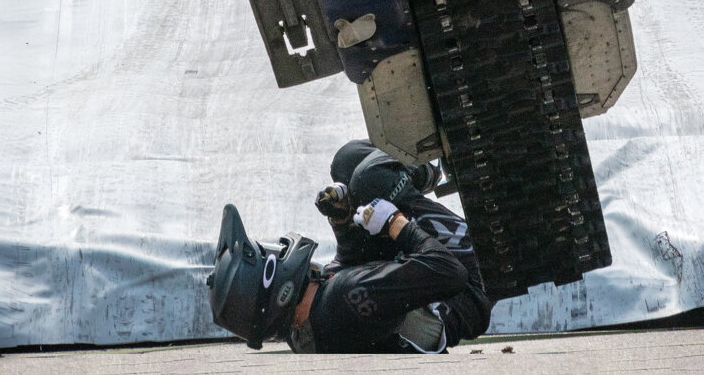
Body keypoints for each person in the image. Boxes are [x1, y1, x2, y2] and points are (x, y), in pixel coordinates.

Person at [206, 141, 493, 353]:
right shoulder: (345, 296)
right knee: (370, 179)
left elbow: (346, 267)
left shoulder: (310, 324)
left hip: (439, 290)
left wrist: (342, 222)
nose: (278, 251)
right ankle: (429, 170)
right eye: (270, 254)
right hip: (471, 286)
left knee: (346, 163)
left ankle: (418, 174)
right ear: (271, 287)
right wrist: (395, 223)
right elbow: (449, 273)